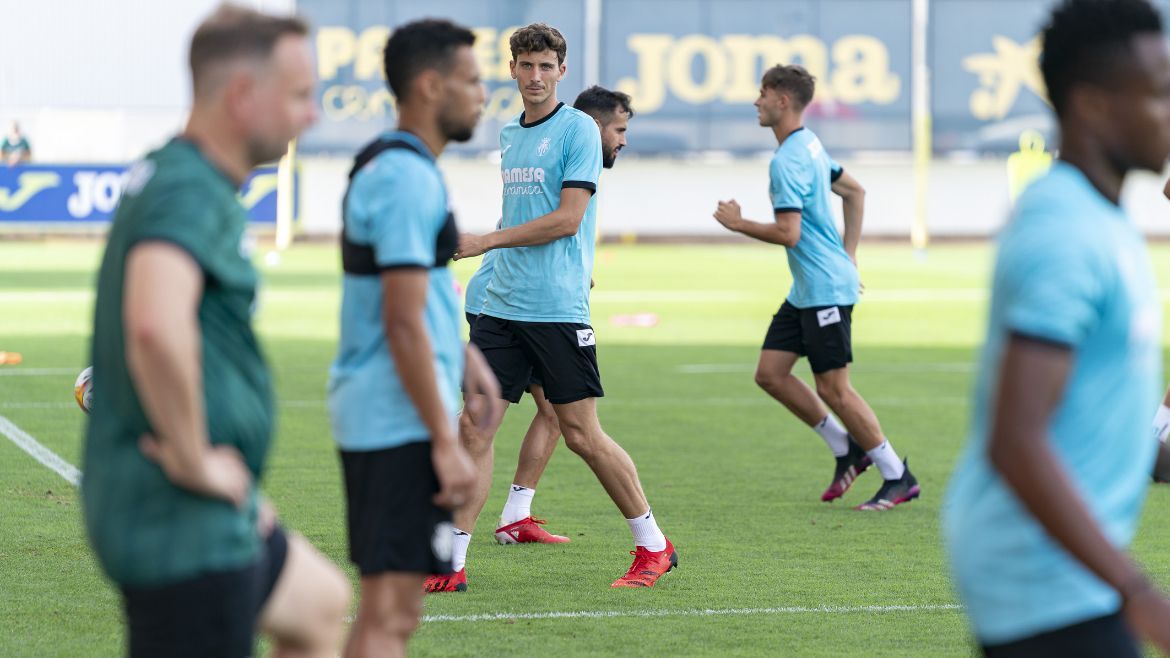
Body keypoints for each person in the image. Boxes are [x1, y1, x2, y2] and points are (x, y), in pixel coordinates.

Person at [81, 6, 349, 658]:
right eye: (298, 96)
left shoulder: (176, 172)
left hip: (210, 508)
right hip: (179, 522)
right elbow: (153, 325)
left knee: (320, 604)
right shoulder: (190, 191)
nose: (310, 115)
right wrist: (195, 458)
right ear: (241, 96)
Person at [943, 0, 1170, 655]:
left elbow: (1104, 423)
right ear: (1095, 105)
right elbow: (1016, 440)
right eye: (1157, 93)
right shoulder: (1064, 231)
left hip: (1062, 570)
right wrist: (1140, 595)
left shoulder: (1101, 218)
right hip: (1041, 579)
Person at [426, 23, 676, 592]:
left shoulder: (579, 130)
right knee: (475, 427)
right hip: (501, 308)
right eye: (525, 65)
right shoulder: (511, 133)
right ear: (512, 69)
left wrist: (485, 242)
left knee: (581, 433)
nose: (535, 76)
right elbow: (519, 213)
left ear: (561, 71)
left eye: (545, 66)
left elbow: (567, 219)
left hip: (556, 309)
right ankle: (451, 562)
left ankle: (653, 545)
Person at [326, 18, 499, 657]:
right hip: (390, 417)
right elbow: (399, 321)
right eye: (473, 80)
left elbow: (416, 292)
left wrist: (464, 352)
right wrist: (443, 442)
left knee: (394, 613)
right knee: (389, 613)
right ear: (430, 86)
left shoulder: (409, 167)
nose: (484, 93)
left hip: (390, 411)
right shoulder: (402, 176)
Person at [711, 63, 919, 510]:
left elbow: (790, 233)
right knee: (770, 373)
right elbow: (856, 192)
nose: (756, 101)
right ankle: (846, 449)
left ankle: (896, 474)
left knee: (834, 389)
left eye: (762, 93)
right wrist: (850, 254)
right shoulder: (809, 145)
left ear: (782, 101)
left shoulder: (787, 160)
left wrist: (739, 223)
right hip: (810, 287)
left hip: (824, 288)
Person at [461, 85, 634, 549]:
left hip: (528, 301)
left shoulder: (561, 157)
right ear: (594, 127)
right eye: (618, 129)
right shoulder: (559, 141)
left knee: (557, 417)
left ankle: (515, 515)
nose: (622, 140)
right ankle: (456, 529)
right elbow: (553, 222)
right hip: (504, 305)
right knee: (490, 424)